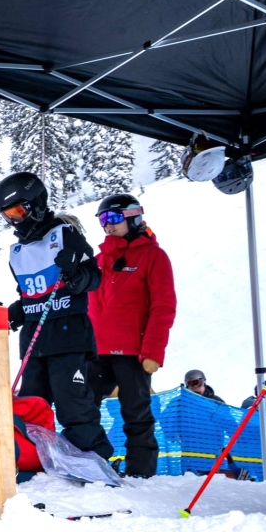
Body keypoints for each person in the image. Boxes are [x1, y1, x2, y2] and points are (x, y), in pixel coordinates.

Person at [0, 172, 114, 461]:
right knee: (32, 404)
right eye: (8, 215)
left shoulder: (64, 234)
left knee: (73, 404)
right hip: (35, 342)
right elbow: (32, 294)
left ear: (36, 204)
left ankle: (94, 461)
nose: (15, 220)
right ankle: (36, 459)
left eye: (19, 211)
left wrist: (74, 273)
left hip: (68, 335)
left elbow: (94, 279)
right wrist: (17, 310)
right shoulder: (18, 251)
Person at [87, 194, 176, 478]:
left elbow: (163, 307)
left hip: (131, 353)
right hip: (97, 352)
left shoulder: (153, 256)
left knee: (136, 415)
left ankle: (141, 475)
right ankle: (93, 467)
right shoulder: (99, 260)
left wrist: (153, 352)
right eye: (103, 221)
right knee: (83, 410)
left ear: (133, 217)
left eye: (113, 219)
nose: (107, 226)